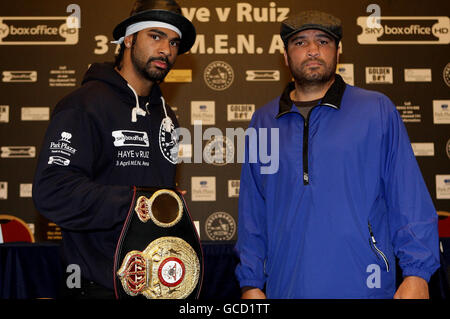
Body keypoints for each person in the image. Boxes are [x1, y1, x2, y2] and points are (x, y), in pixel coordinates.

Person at [235, 10, 440, 299]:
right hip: (286, 286)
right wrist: (251, 283)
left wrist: (417, 274)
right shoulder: (263, 120)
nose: (313, 50)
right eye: (300, 42)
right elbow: (252, 213)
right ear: (285, 56)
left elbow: (407, 197)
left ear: (338, 51)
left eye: (323, 41)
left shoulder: (376, 110)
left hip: (363, 285)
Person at [32, 0, 196, 298]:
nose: (166, 50)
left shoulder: (166, 116)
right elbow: (52, 190)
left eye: (174, 42)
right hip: (98, 287)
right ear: (129, 39)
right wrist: (137, 201)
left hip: (154, 288)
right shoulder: (83, 104)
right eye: (155, 36)